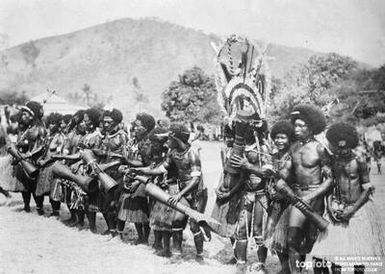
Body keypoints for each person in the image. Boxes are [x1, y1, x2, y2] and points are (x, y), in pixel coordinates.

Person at [311, 123, 382, 273]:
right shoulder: (333, 162)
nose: (342, 151)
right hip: (338, 209)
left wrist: (353, 209)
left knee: (359, 256)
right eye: (339, 147)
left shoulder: (360, 161)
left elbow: (367, 189)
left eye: (345, 147)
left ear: (351, 144)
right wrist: (330, 207)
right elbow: (330, 186)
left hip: (358, 210)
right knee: (335, 257)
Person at [131, 123, 208, 262]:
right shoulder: (172, 153)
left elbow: (195, 180)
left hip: (197, 193)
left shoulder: (192, 153)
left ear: (176, 139)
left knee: (194, 224)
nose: (167, 142)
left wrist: (179, 194)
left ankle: (200, 255)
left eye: (169, 139)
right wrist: (141, 171)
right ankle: (177, 255)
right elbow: (161, 169)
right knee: (177, 220)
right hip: (184, 192)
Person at [277, 104, 333, 274]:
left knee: (310, 242)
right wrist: (275, 171)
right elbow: (285, 173)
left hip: (315, 199)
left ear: (311, 128)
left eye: (302, 126)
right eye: (296, 125)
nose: (297, 129)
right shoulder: (293, 148)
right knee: (292, 241)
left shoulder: (320, 149)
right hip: (297, 198)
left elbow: (330, 180)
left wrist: (311, 196)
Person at [117, 112, 156, 244]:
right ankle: (141, 236)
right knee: (133, 207)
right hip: (132, 176)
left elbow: (149, 166)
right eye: (135, 125)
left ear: (146, 128)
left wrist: (138, 180)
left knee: (141, 207)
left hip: (145, 178)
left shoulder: (149, 143)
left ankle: (144, 237)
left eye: (138, 126)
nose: (134, 128)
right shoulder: (133, 141)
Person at [264, 121, 295, 274]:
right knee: (273, 234)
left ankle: (295, 269)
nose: (279, 141)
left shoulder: (295, 155)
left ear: (289, 138)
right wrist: (270, 189)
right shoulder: (274, 156)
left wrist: (283, 194)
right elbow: (270, 178)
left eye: (283, 137)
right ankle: (285, 268)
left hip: (291, 202)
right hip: (275, 202)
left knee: (292, 238)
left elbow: (297, 181)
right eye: (277, 137)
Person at [94, 108, 127, 236]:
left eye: (109, 122)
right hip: (104, 172)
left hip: (117, 172)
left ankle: (118, 231)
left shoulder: (122, 136)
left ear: (117, 122)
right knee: (104, 202)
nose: (106, 125)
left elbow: (124, 158)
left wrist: (107, 164)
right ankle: (111, 228)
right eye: (104, 122)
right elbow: (102, 152)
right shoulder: (105, 136)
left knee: (116, 202)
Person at [11, 101, 47, 214]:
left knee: (35, 185)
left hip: (35, 161)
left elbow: (42, 146)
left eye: (26, 114)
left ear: (32, 116)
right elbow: (20, 142)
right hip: (23, 160)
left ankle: (39, 207)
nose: (23, 116)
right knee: (24, 185)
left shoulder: (40, 128)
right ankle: (26, 205)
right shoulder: (25, 129)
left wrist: (30, 154)